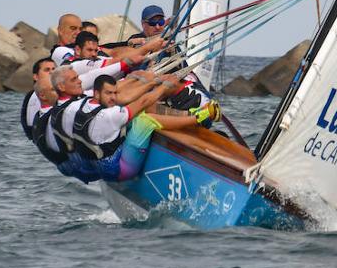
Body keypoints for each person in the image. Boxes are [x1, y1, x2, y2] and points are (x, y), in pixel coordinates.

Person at [56, 72, 221, 184]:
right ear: (97, 94)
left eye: (114, 93)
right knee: (144, 121)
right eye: (109, 94)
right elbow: (142, 103)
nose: (113, 98)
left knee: (138, 113)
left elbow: (125, 96)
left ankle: (187, 115)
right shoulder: (108, 116)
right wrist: (163, 85)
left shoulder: (83, 104)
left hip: (98, 164)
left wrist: (139, 78)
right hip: (120, 170)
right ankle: (198, 117)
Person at [20, 57, 56, 139]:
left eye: (54, 69)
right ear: (36, 77)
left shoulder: (30, 95)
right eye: (47, 70)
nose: (52, 72)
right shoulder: (34, 96)